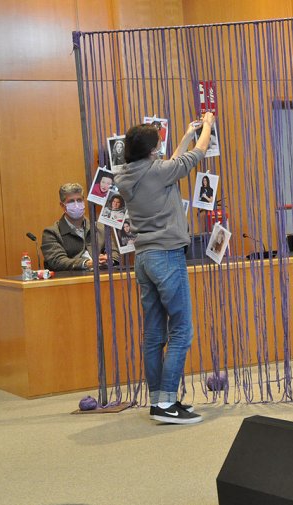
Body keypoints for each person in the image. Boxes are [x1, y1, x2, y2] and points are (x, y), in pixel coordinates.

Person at [114, 111, 216, 424]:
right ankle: (167, 402)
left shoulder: (128, 174)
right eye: (158, 145)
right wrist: (207, 124)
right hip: (167, 256)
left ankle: (159, 400)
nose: (161, 149)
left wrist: (186, 132)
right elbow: (197, 154)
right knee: (182, 331)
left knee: (155, 333)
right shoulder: (158, 171)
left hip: (143, 259)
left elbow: (168, 162)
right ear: (150, 150)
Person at [41, 183, 119, 271]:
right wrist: (86, 263)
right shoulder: (51, 233)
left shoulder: (100, 228)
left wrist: (108, 259)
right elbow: (57, 261)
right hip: (72, 281)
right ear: (62, 206)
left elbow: (115, 253)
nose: (76, 204)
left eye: (79, 200)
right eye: (71, 201)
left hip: (101, 278)